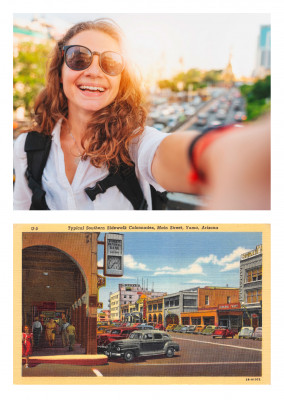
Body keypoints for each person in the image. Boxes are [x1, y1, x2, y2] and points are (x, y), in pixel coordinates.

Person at [13, 18, 270, 210]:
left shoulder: (134, 144)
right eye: (78, 57)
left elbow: (165, 153)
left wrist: (224, 153)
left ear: (121, 79)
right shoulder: (27, 147)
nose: (94, 71)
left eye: (110, 62)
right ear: (60, 70)